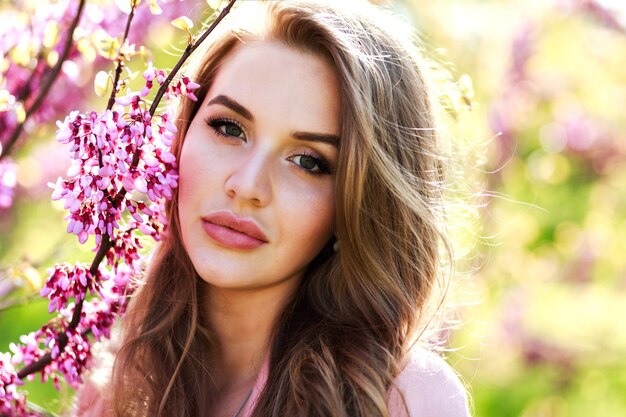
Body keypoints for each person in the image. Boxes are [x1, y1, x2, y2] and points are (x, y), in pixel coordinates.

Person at [74, 0, 471, 416]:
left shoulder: (404, 399)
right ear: (183, 130)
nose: (247, 186)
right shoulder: (115, 381)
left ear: (360, 203)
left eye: (308, 162)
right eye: (229, 128)